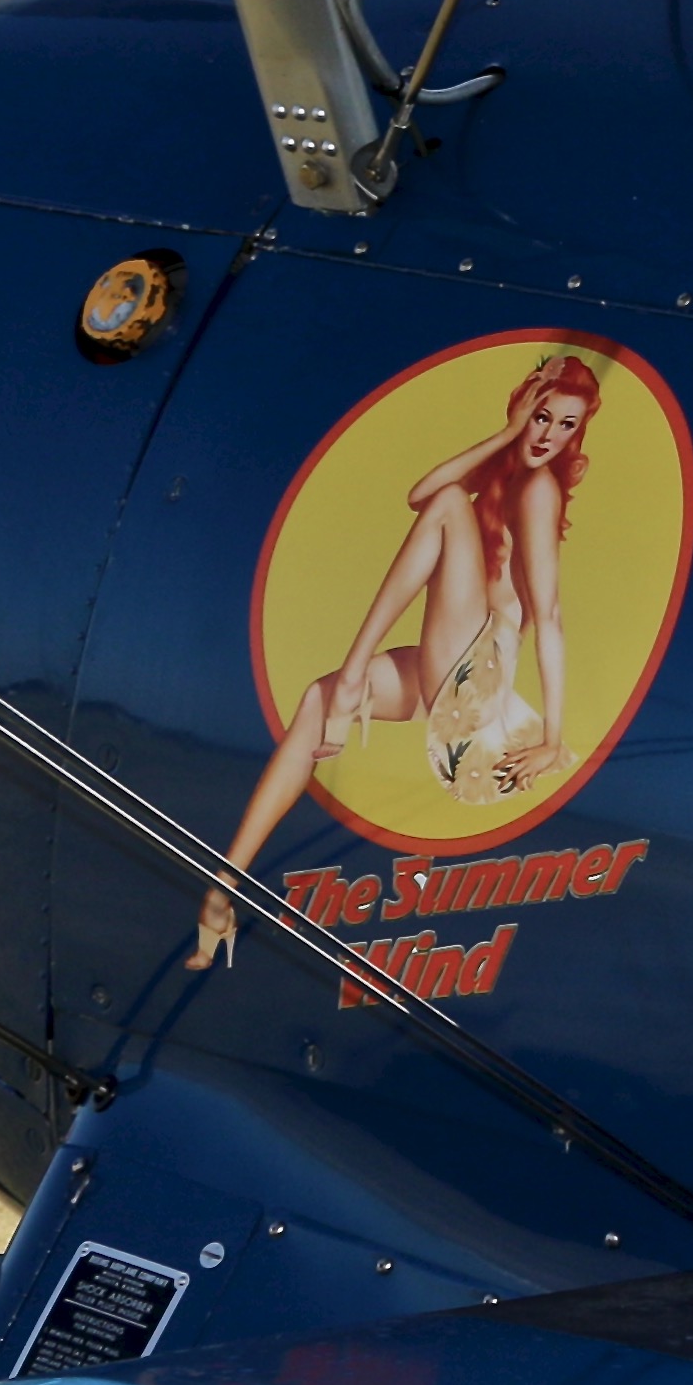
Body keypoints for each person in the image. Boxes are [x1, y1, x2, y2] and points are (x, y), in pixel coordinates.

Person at [185, 349, 595, 968]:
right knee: (317, 701)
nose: (549, 436)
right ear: (523, 408)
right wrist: (508, 432)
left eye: (567, 424)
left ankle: (354, 673)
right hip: (454, 674)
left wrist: (554, 736)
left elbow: (551, 615)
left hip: (479, 679)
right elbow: (419, 493)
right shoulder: (508, 471)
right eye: (542, 416)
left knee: (450, 510)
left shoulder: (538, 490)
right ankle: (223, 889)